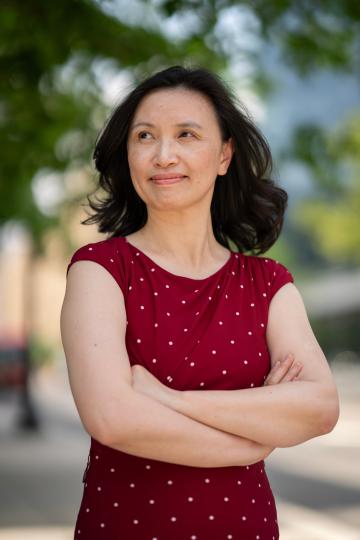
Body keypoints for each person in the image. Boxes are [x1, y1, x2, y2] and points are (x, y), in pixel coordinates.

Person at [60, 64, 339, 540]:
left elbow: (319, 406)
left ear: (225, 154)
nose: (164, 155)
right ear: (128, 155)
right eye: (145, 136)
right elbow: (113, 418)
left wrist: (167, 399)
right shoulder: (100, 270)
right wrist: (252, 440)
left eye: (186, 135)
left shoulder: (268, 283)